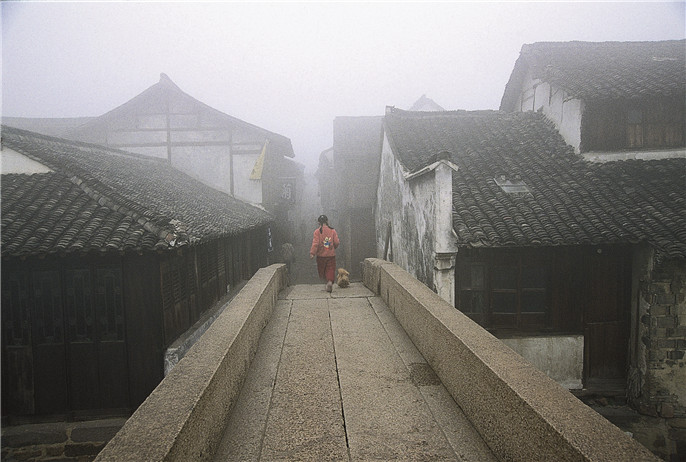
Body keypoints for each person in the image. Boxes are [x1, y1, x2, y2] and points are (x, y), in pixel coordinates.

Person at [309, 214, 339, 292]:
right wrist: (334, 247)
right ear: (327, 221)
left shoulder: (317, 232)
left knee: (322, 270)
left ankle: (326, 282)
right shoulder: (332, 230)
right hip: (331, 255)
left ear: (319, 223)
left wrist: (312, 253)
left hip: (320, 256)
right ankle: (329, 281)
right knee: (331, 269)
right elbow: (336, 242)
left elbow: (315, 243)